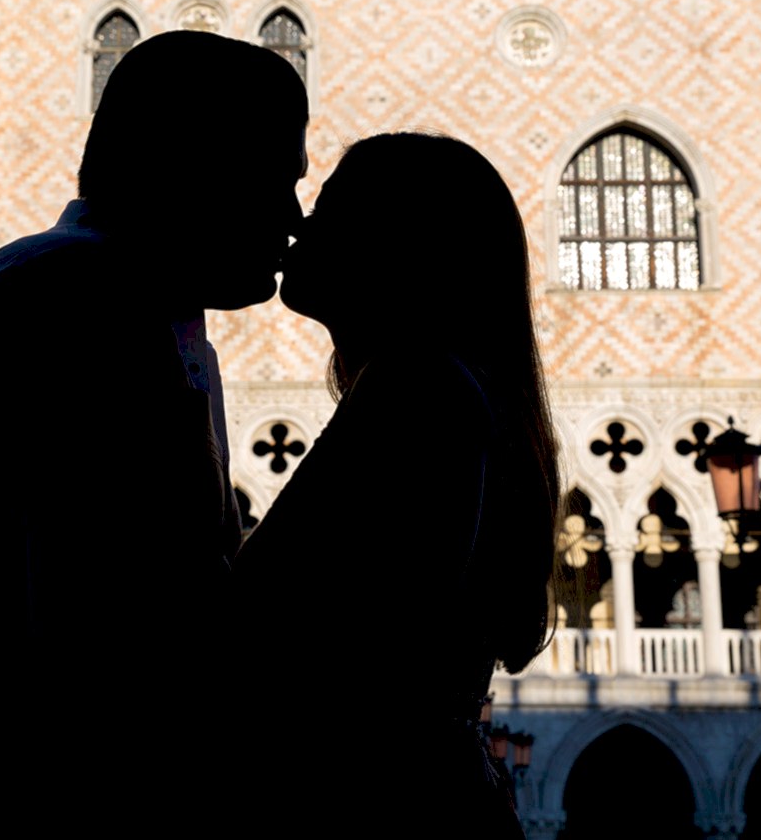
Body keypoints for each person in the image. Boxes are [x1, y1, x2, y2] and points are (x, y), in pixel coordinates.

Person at [0, 30, 309, 838]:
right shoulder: (64, 298)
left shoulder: (151, 314)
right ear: (194, 164)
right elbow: (90, 646)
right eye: (277, 179)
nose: (295, 220)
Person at [230, 132, 561, 838]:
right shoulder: (447, 387)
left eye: (330, 208)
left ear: (401, 248)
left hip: (376, 820)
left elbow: (249, 619)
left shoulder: (418, 386)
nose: (297, 224)